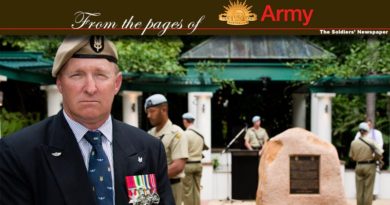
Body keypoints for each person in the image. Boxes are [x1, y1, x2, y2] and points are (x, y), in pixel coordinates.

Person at [0, 36, 174, 205]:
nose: (90, 88)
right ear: (60, 83)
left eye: (100, 75)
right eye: (77, 75)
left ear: (117, 83)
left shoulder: (148, 149)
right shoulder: (18, 153)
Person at [145, 94, 189, 205]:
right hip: (150, 188)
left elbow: (178, 166)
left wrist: (151, 179)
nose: (148, 115)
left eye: (152, 111)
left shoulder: (177, 133)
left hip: (171, 186)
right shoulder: (149, 134)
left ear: (164, 110)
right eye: (147, 112)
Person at [349, 122, 384, 205]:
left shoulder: (353, 143)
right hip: (369, 165)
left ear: (359, 131)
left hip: (358, 166)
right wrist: (376, 159)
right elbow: (380, 153)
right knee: (368, 189)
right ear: (367, 131)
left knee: (359, 189)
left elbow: (351, 156)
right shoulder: (371, 141)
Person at [181, 112, 209, 205]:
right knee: (197, 190)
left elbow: (182, 151)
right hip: (199, 164)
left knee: (187, 192)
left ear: (185, 121)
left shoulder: (185, 134)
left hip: (188, 165)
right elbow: (204, 147)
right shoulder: (200, 134)